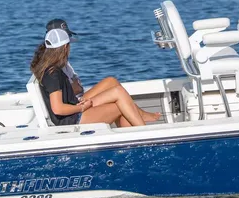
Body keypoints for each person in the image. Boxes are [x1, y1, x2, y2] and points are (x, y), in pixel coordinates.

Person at [30, 28, 158, 127]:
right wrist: (81, 107)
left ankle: (138, 126)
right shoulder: (53, 73)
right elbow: (58, 108)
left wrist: (79, 103)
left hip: (74, 108)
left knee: (115, 88)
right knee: (119, 106)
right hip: (72, 119)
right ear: (65, 47)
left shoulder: (49, 67)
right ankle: (143, 134)